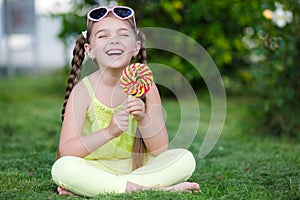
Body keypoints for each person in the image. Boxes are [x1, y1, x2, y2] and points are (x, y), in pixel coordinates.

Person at [51, 5, 200, 197]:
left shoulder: (147, 87)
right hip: (95, 168)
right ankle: (146, 189)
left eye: (123, 34)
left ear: (135, 47)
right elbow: (67, 150)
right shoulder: (83, 91)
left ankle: (107, 189)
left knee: (184, 159)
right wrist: (109, 131)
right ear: (90, 50)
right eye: (103, 36)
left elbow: (160, 149)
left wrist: (143, 119)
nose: (114, 41)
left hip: (137, 168)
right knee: (63, 168)